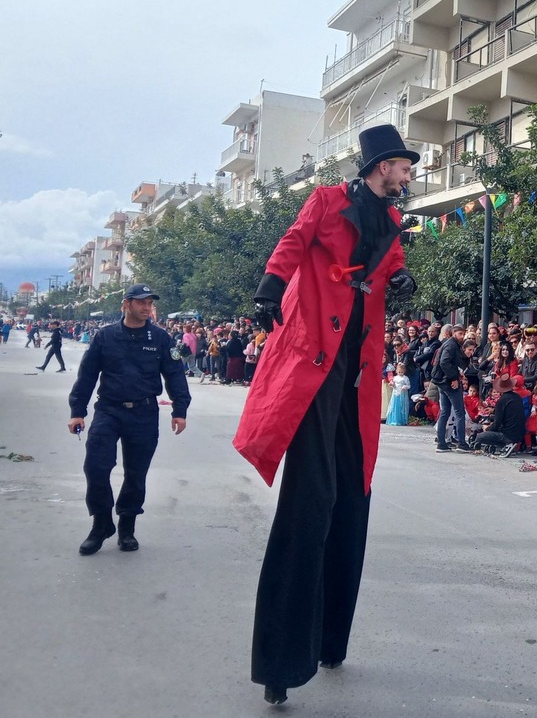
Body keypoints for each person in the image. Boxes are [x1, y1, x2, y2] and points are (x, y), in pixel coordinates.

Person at [232, 124, 418, 706]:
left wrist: (400, 276)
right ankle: (282, 662)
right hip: (316, 357)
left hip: (356, 371)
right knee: (310, 501)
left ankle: (331, 639)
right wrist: (269, 288)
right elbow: (293, 243)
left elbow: (390, 263)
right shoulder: (326, 201)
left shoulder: (390, 221)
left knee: (351, 497)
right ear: (382, 166)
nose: (408, 174)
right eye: (404, 166)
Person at [67, 284, 191, 556]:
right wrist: (77, 411)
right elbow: (87, 375)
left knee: (136, 473)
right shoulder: (105, 336)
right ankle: (101, 523)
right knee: (95, 466)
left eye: (150, 303)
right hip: (108, 410)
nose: (147, 307)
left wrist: (180, 410)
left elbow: (174, 374)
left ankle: (127, 527)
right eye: (141, 302)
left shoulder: (160, 338)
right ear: (126, 304)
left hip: (144, 413)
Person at [434, 325, 470, 453]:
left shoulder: (450, 344)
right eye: (460, 334)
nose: (462, 336)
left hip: (442, 382)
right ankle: (461, 443)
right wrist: (453, 378)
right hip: (448, 382)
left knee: (445, 412)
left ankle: (441, 443)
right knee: (459, 412)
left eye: (463, 334)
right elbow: (444, 362)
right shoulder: (451, 345)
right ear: (453, 333)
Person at [473, 373, 525, 456]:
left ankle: (506, 444)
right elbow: (509, 412)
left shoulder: (501, 401)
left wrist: (487, 428)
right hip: (519, 434)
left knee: (480, 436)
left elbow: (497, 424)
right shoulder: (517, 397)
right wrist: (494, 411)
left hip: (507, 435)